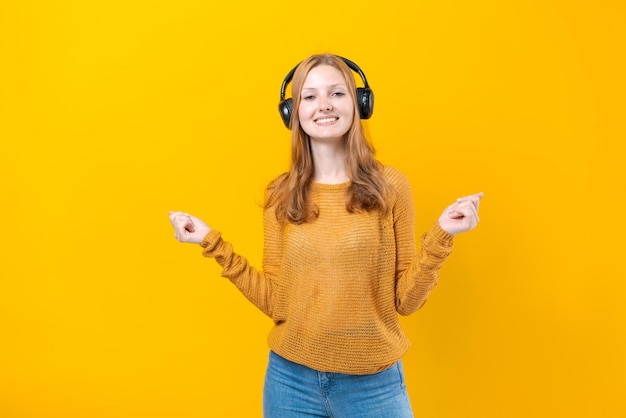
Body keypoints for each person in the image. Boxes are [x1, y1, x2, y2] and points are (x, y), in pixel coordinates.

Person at [169, 53, 483, 418]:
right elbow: (277, 301)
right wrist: (212, 243)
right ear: (293, 111)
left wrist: (442, 235)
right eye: (310, 96)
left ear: (359, 104)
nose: (324, 106)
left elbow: (406, 301)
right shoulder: (280, 195)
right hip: (290, 383)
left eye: (337, 93)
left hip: (373, 386)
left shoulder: (391, 187)